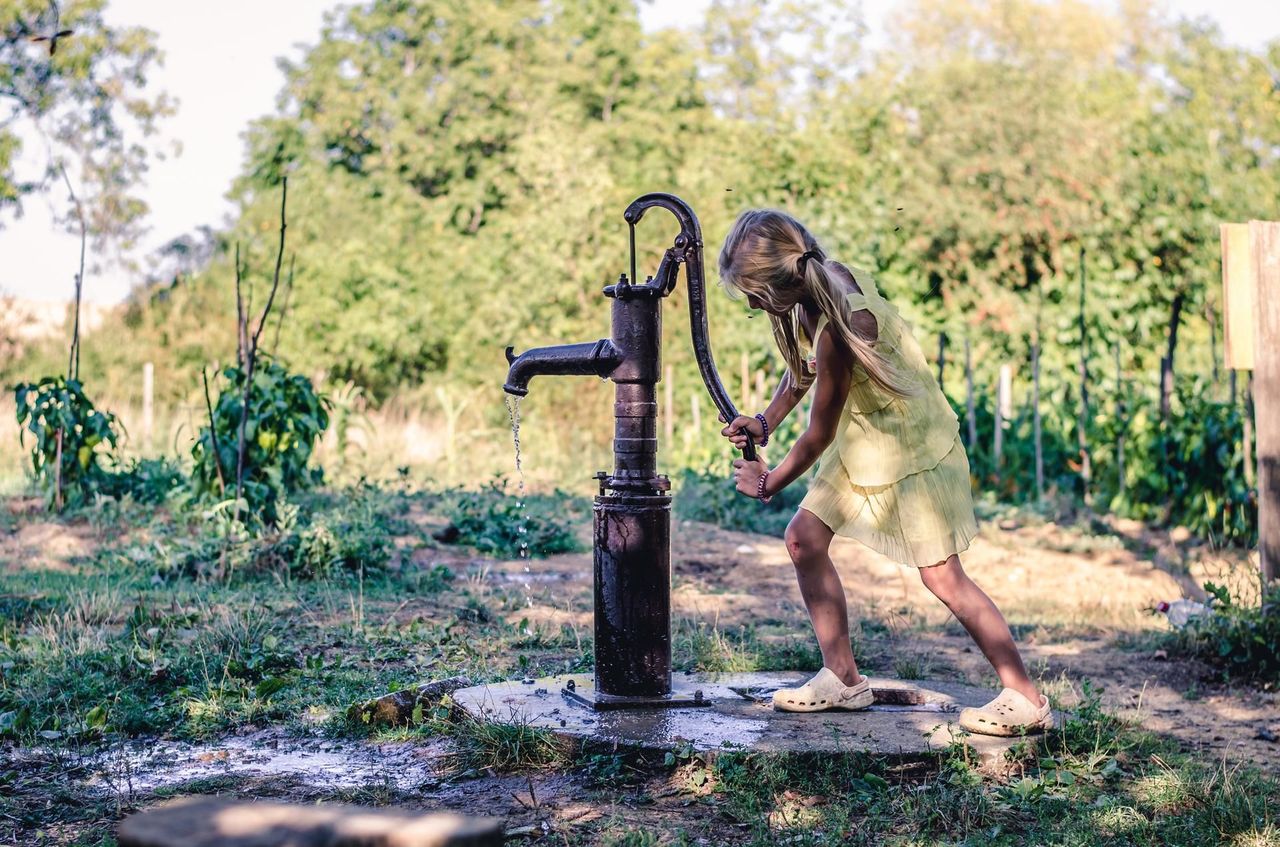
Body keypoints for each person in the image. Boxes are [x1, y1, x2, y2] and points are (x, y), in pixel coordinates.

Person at [716, 208, 1053, 736]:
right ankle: (843, 677)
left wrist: (768, 482)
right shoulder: (820, 290)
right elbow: (802, 378)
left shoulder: (839, 325)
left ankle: (1026, 696)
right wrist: (763, 422)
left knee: (944, 577)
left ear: (780, 284)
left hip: (909, 449)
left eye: (753, 295)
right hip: (864, 442)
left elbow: (818, 435)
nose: (753, 307)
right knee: (804, 539)